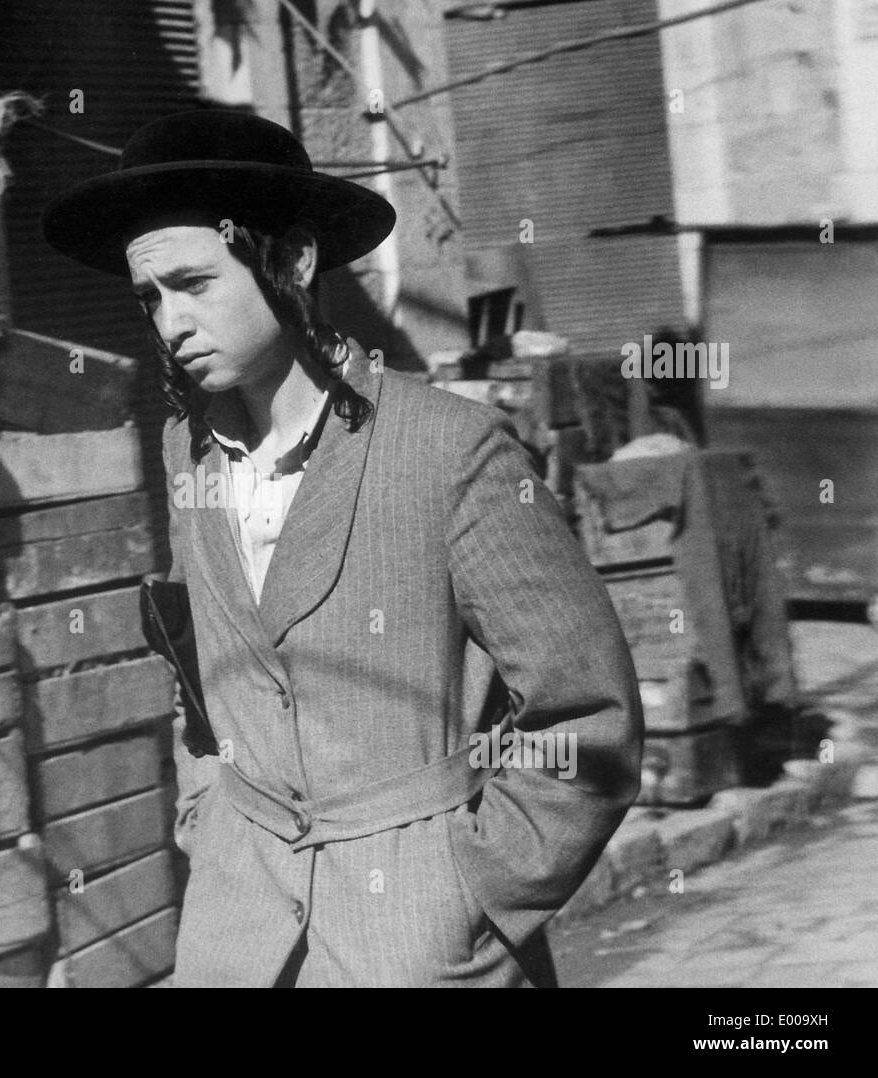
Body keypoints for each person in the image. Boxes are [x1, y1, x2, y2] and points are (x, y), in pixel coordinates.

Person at [43, 109, 643, 987]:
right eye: (150, 297)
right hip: (236, 937)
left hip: (415, 939)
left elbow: (588, 716)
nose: (170, 322)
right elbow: (202, 683)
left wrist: (469, 892)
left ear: (291, 262)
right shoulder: (188, 450)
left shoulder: (449, 449)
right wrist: (207, 817)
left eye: (195, 283)